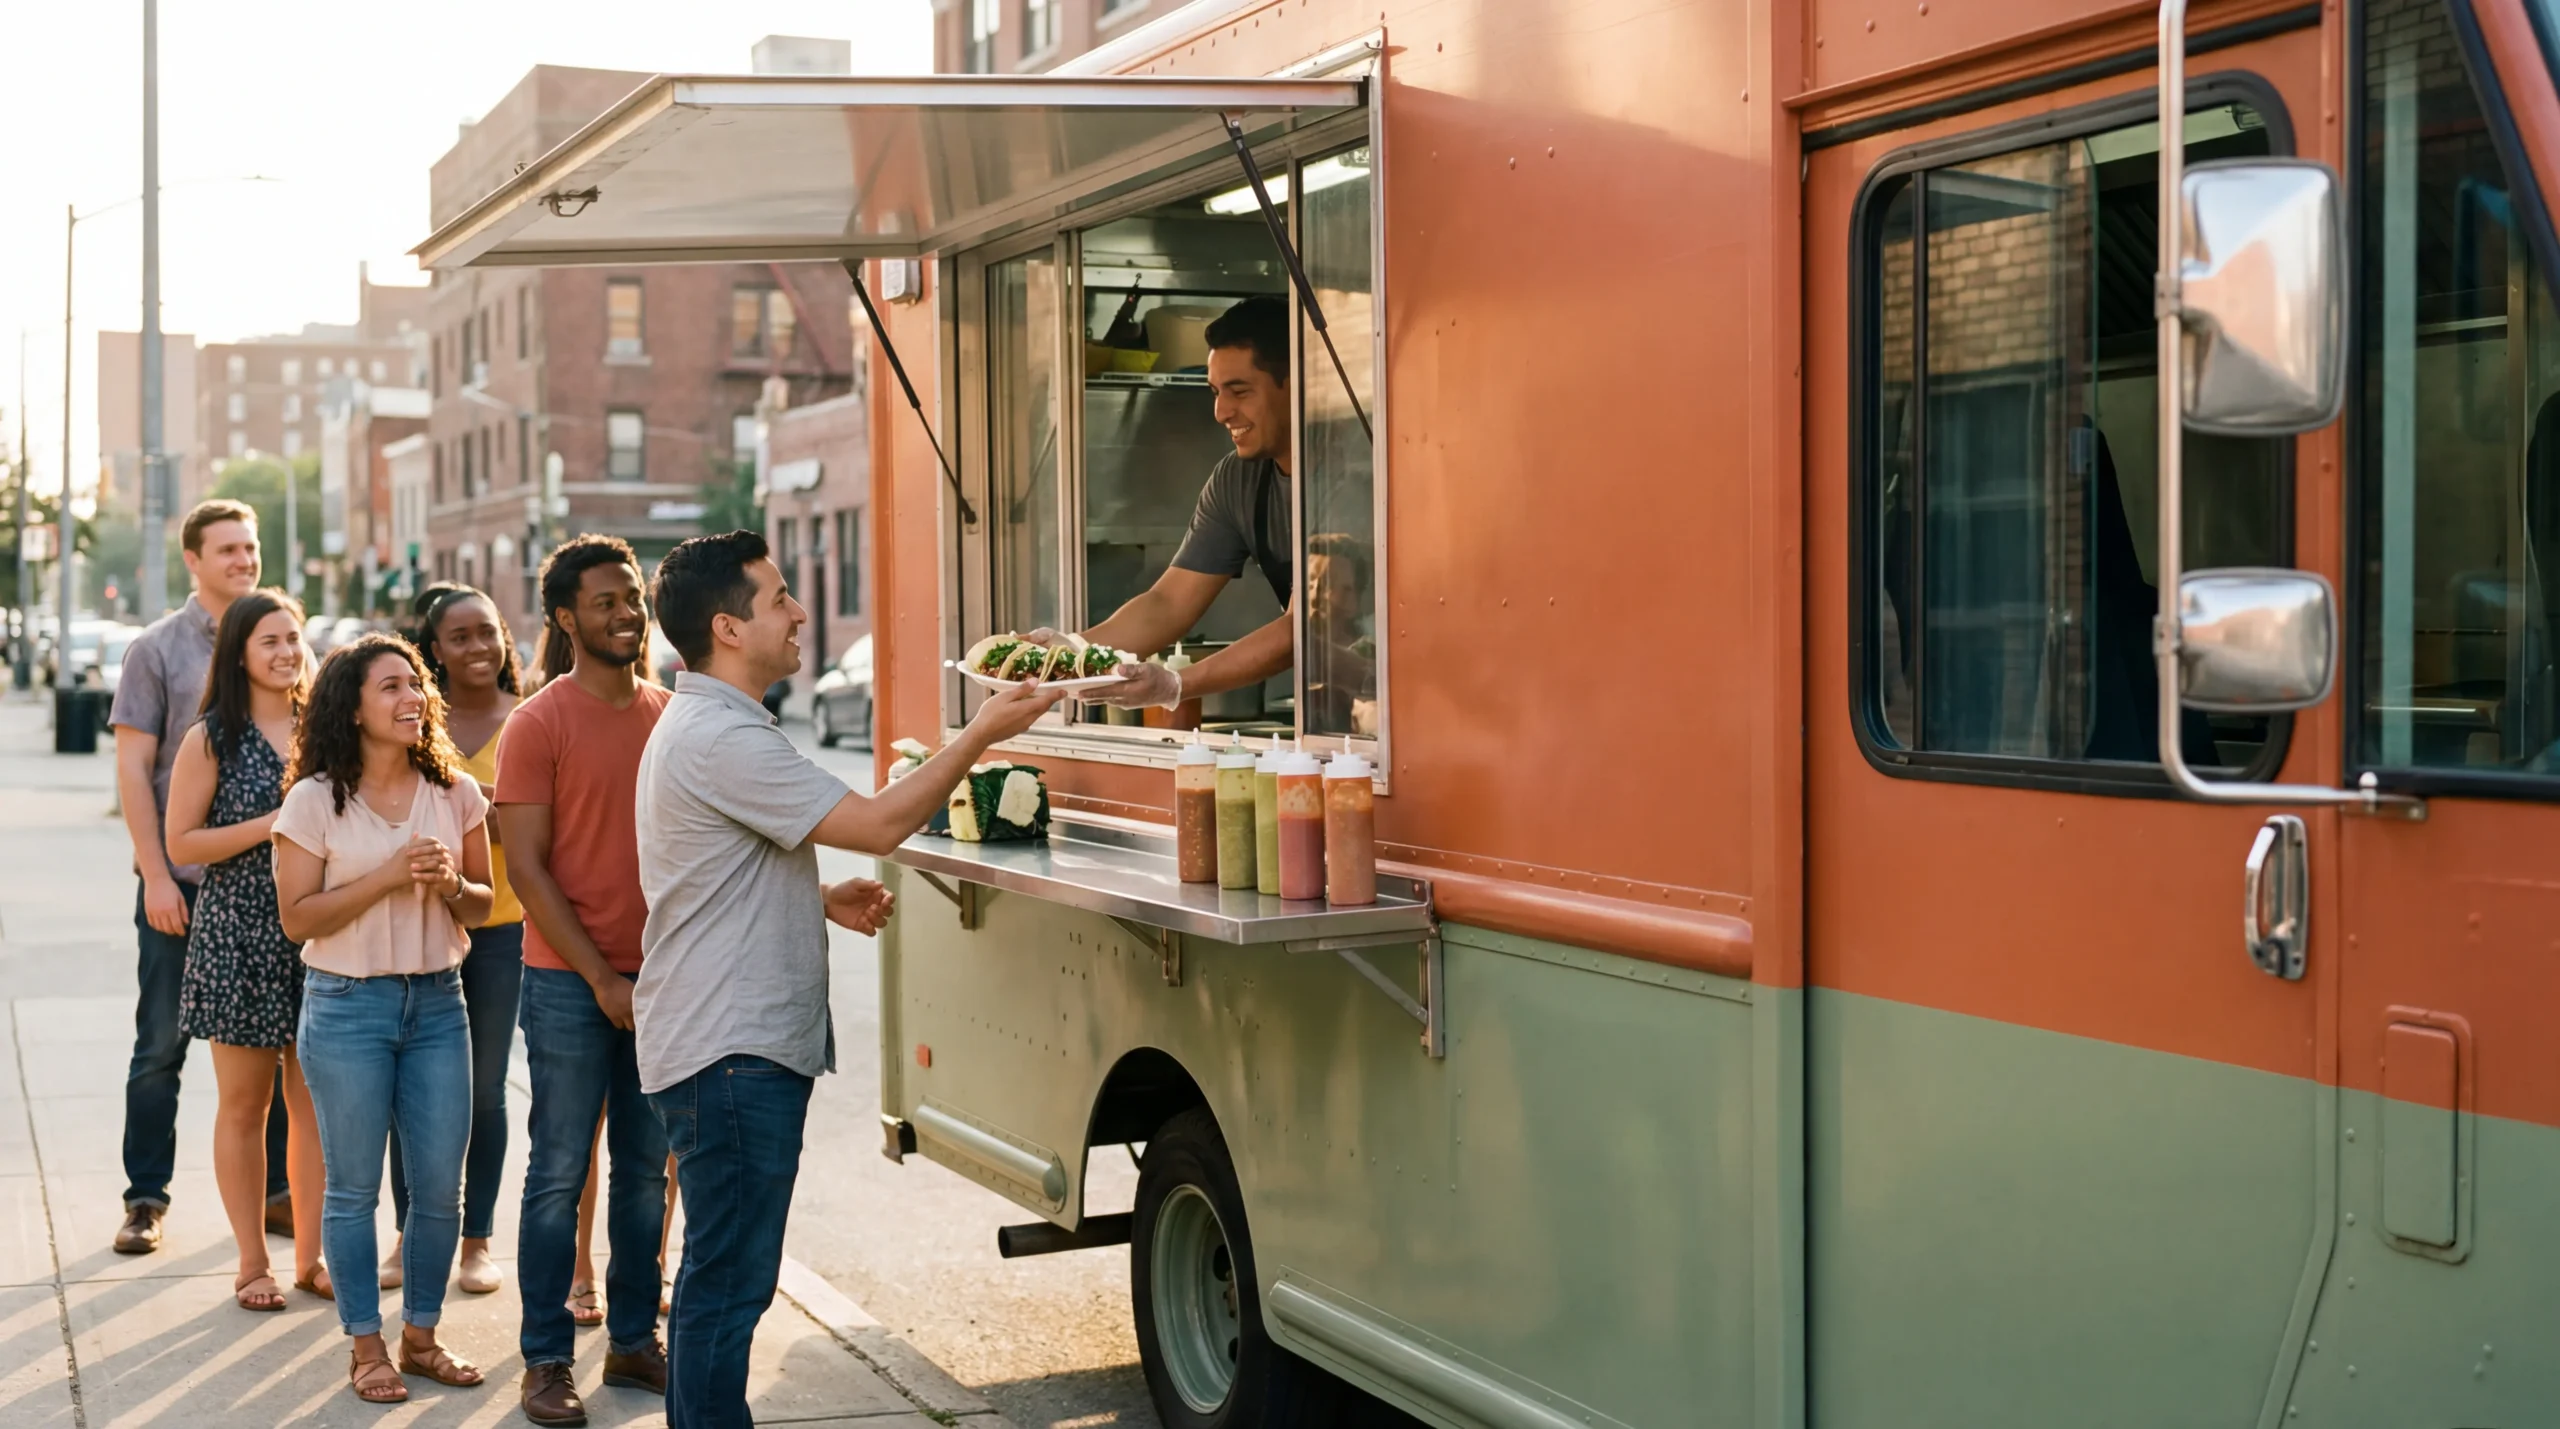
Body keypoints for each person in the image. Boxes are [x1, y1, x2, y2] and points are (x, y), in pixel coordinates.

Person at [634, 530, 1061, 1428]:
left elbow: (707, 872)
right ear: (726, 626)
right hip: (730, 1054)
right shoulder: (720, 734)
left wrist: (815, 899)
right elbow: (876, 823)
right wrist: (979, 730)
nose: (798, 613)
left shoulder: (712, 724)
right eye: (779, 597)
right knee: (727, 1287)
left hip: (719, 1047)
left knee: (723, 1279)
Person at [274, 634, 493, 1404]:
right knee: (353, 1189)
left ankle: (422, 1336)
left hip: (439, 1002)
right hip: (345, 1007)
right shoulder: (313, 800)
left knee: (439, 1190)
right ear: (352, 707)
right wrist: (389, 874)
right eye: (390, 687)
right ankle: (367, 1345)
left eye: (415, 685)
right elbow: (298, 919)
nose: (412, 698)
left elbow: (486, 902)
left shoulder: (456, 790)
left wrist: (450, 881)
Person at [499, 535, 674, 1425]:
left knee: (646, 1172)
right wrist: (604, 977)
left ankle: (636, 1341)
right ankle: (544, 1359)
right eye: (605, 600)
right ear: (566, 617)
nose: (626, 611)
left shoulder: (670, 714)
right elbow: (527, 870)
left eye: (632, 595)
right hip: (568, 982)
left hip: (664, 982)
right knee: (559, 1173)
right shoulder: (539, 723)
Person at [104, 498, 292, 1254]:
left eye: (249, 547)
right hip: (182, 886)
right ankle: (145, 1196)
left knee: (278, 1049)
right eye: (227, 549)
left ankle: (277, 1192)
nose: (243, 559)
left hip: (275, 896)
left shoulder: (277, 642)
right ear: (193, 559)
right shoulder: (156, 649)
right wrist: (155, 873)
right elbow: (131, 766)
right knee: (160, 1046)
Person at [162, 588, 329, 1311]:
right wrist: (274, 823)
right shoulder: (211, 737)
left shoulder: (323, 727)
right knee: (245, 1104)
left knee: (316, 1102)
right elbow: (181, 844)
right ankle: (252, 1262)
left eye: (293, 637)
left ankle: (314, 1257)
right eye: (270, 640)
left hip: (319, 930)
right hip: (238, 933)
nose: (287, 651)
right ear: (238, 653)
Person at [1030, 296, 1299, 711]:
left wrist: (1173, 685)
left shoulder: (1349, 472)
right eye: (1215, 391)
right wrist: (1067, 654)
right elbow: (1168, 603)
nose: (1221, 411)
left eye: (1239, 391)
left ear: (1297, 383)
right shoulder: (1237, 479)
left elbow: (1306, 629)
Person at [377, 584, 525, 1299]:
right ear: (433, 649)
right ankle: (410, 1233)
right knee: (415, 1091)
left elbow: (542, 825)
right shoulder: (416, 722)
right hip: (423, 927)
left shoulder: (526, 721)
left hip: (500, 927)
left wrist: (482, 813)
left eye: (487, 633)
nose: (476, 648)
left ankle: (476, 1238)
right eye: (459, 637)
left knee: (483, 1091)